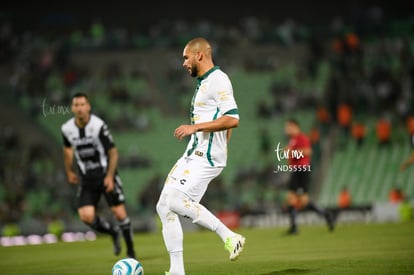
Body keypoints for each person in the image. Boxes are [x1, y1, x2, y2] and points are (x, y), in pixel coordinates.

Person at [156, 37, 245, 275]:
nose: (183, 63)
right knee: (164, 206)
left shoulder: (218, 79)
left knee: (175, 201)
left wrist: (195, 128)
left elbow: (233, 118)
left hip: (205, 157)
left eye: (186, 57)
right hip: (193, 153)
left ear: (200, 55)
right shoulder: (204, 82)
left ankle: (230, 236)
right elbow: (222, 119)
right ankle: (177, 271)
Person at [61, 92, 136, 258]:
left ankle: (131, 251)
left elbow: (113, 152)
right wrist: (69, 171)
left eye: (82, 104)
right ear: (72, 108)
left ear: (88, 107)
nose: (79, 108)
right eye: (76, 105)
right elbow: (67, 149)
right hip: (87, 179)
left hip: (105, 175)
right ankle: (112, 233)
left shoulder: (98, 125)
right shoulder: (67, 129)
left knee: (119, 214)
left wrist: (110, 176)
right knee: (86, 216)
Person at [283, 118, 334, 235]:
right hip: (295, 171)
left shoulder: (302, 138)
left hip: (302, 170)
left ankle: (326, 214)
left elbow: (308, 152)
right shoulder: (293, 140)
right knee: (291, 198)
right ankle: (294, 227)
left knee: (303, 201)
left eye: (288, 127)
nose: (286, 129)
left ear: (295, 127)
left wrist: (292, 152)